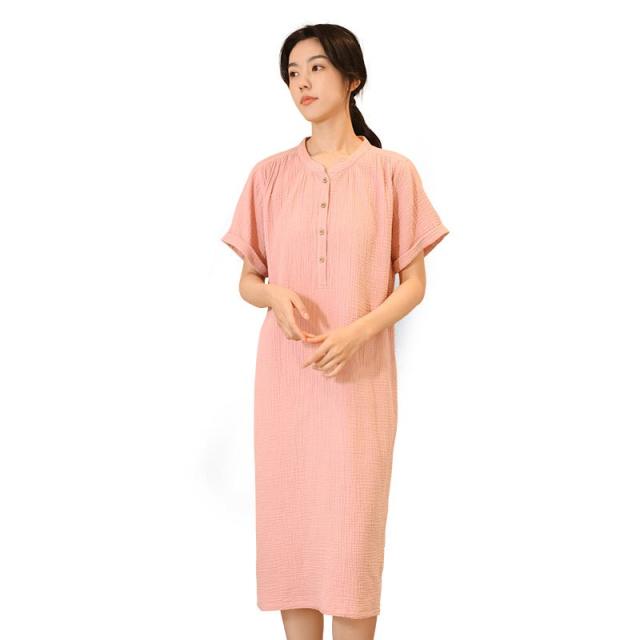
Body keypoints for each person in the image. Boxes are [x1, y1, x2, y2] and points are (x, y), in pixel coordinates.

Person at [221, 23, 450, 640]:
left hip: (359, 384)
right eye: (292, 73)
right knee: (292, 540)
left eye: (316, 68)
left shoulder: (391, 173)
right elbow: (248, 280)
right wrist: (272, 294)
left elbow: (413, 283)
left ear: (353, 77)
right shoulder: (268, 176)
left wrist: (358, 332)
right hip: (287, 385)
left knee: (351, 541)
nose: (302, 82)